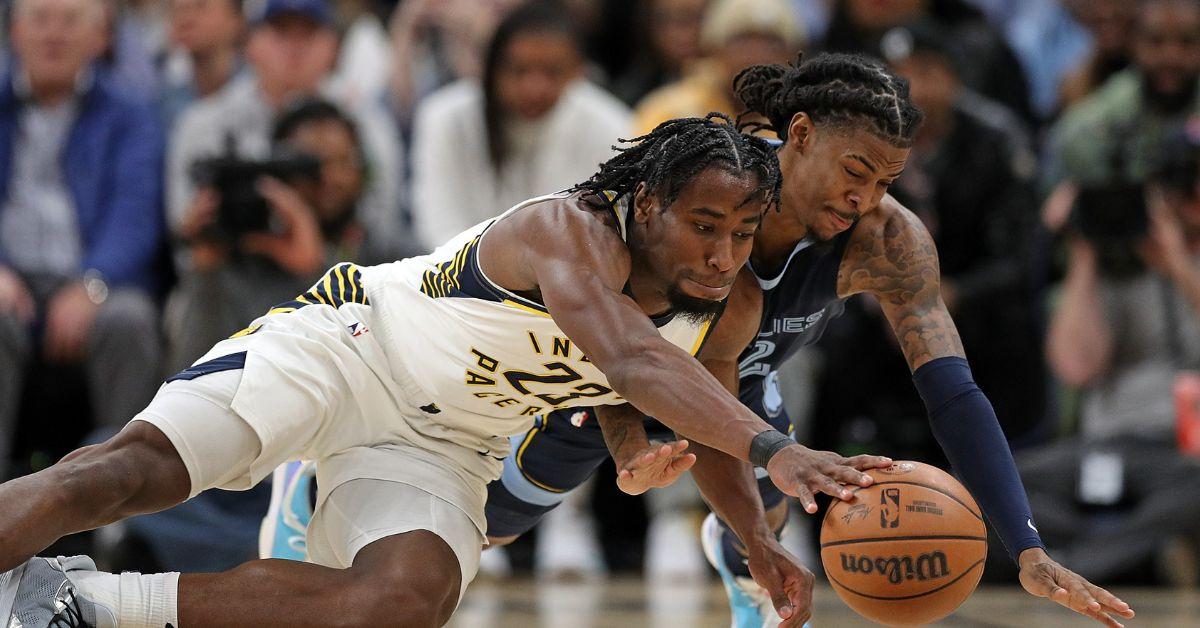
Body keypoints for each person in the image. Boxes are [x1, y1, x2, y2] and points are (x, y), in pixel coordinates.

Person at [0, 116, 884, 627]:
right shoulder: (568, 229)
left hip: (450, 443)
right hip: (350, 348)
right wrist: (778, 450)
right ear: (648, 201)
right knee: (126, 475)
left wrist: (759, 541)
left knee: (403, 601)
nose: (725, 252)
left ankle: (85, 603)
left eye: (742, 233)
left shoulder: (724, 305)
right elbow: (627, 353)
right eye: (704, 225)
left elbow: (673, 400)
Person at [476, 53, 1135, 628]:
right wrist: (624, 441)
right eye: (856, 170)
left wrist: (1027, 548)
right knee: (491, 527)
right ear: (799, 135)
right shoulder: (711, 190)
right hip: (597, 369)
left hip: (735, 383)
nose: (866, 197)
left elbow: (953, 393)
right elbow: (620, 341)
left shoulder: (888, 241)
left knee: (774, 500)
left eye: (886, 180)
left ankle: (745, 574)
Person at [0, 0, 166, 475]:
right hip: (9, 280)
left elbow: (135, 215)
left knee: (130, 321)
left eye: (70, 20)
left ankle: (124, 510)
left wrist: (94, 282)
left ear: (101, 37)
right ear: (14, 32)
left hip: (95, 279)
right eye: (40, 19)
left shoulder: (131, 113)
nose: (54, 34)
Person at [410, 0, 631, 248]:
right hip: (458, 276)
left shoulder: (611, 125)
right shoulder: (444, 119)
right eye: (519, 70)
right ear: (490, 69)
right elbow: (438, 225)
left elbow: (608, 229)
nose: (534, 88)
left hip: (571, 278)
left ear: (577, 70)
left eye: (551, 72)